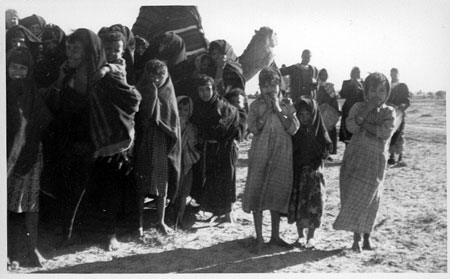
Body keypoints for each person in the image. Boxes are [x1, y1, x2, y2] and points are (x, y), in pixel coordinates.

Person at [46, 29, 140, 250]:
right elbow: (56, 103)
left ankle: (108, 235)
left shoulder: (102, 74)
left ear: (88, 51)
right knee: (76, 190)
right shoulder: (69, 72)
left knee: (107, 189)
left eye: (76, 49)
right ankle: (74, 234)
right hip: (75, 141)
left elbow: (132, 100)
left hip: (104, 141)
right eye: (68, 48)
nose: (70, 53)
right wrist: (60, 78)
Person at [333, 72, 396, 252]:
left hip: (376, 162)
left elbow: (384, 132)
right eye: (373, 90)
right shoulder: (357, 107)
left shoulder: (388, 111)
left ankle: (367, 237)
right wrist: (366, 110)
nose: (377, 94)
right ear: (366, 92)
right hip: (355, 160)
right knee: (354, 197)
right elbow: (351, 126)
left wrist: (364, 124)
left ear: (387, 92)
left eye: (382, 91)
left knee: (371, 199)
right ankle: (356, 239)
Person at [242, 67, 300, 253]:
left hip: (281, 154)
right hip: (261, 154)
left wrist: (278, 108)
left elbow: (293, 129)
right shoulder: (256, 106)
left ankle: (275, 236)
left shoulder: (287, 104)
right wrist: (267, 110)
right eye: (264, 86)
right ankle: (259, 238)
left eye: (272, 85)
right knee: (257, 193)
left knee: (277, 193)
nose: (269, 90)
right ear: (260, 87)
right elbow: (254, 128)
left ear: (279, 85)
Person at [7, 46, 51, 269]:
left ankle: (32, 248)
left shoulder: (32, 93)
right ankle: (8, 252)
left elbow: (41, 122)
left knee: (29, 205)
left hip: (29, 155)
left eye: (23, 68)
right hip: (5, 156)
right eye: (13, 66)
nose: (17, 72)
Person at [134, 59, 181, 236]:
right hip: (144, 140)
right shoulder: (141, 90)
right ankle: (138, 223)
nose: (156, 80)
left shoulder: (169, 94)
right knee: (141, 181)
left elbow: (172, 121)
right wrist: (151, 95)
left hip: (162, 141)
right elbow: (140, 116)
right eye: (153, 76)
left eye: (160, 76)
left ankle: (160, 221)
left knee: (161, 181)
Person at [190, 75, 240, 223]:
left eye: (208, 89)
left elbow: (223, 128)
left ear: (214, 89)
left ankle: (228, 213)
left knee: (226, 178)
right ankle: (217, 211)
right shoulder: (199, 106)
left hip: (225, 146)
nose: (205, 93)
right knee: (212, 179)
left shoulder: (221, 106)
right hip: (210, 148)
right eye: (201, 90)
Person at [288, 96, 332, 249]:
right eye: (301, 115)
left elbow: (326, 148)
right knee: (298, 204)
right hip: (298, 173)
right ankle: (300, 235)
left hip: (315, 175)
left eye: (308, 115)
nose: (304, 118)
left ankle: (311, 237)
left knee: (315, 204)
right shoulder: (296, 131)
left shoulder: (319, 131)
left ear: (314, 114)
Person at [174, 96, 201, 230]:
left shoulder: (192, 128)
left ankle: (181, 216)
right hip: (174, 162)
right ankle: (171, 215)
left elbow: (194, 143)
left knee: (184, 191)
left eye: (186, 109)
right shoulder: (172, 124)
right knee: (174, 190)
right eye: (180, 108)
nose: (182, 112)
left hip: (187, 162)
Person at [386, 68, 411, 166]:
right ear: (390, 75)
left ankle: (400, 156)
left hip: (399, 113)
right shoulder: (387, 87)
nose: (393, 76)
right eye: (392, 74)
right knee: (390, 134)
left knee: (400, 134)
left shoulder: (402, 87)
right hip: (388, 114)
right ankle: (391, 156)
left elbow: (407, 100)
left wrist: (403, 106)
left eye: (395, 74)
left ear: (398, 75)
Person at [34, 24, 66, 89]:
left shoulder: (68, 60)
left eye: (55, 42)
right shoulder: (43, 59)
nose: (52, 46)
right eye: (48, 43)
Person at [316, 68, 340, 158]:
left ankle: (328, 153)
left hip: (329, 113)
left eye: (325, 75)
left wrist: (336, 110)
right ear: (319, 75)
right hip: (320, 111)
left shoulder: (330, 86)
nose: (324, 76)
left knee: (329, 133)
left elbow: (334, 99)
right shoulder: (316, 86)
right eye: (322, 74)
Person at [339, 66, 364, 145]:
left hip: (359, 110)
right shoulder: (346, 82)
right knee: (347, 130)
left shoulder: (363, 84)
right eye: (355, 72)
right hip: (348, 109)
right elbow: (343, 94)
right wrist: (351, 85)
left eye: (358, 72)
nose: (357, 74)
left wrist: (361, 87)